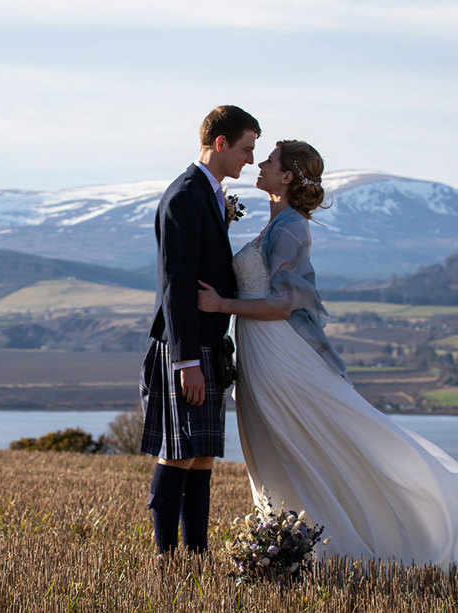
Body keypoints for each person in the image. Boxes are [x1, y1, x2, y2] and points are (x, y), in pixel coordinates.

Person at [198, 140, 458, 572]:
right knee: (276, 446)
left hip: (280, 355)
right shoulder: (275, 223)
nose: (260, 164)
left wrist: (222, 306)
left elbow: (284, 304)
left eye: (270, 161)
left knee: (309, 442)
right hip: (261, 352)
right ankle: (286, 545)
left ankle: (327, 542)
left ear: (287, 176)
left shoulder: (291, 226)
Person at [139, 105, 260, 554]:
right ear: (221, 143)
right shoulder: (185, 195)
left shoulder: (209, 194)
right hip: (185, 348)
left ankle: (196, 555)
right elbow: (175, 284)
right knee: (179, 452)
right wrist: (186, 361)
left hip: (208, 343)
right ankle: (166, 558)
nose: (250, 159)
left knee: (203, 455)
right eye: (247, 148)